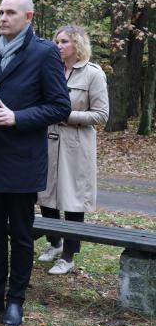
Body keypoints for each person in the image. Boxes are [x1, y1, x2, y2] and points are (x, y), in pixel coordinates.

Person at [0, 0, 71, 326]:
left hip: (23, 161)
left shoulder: (44, 53)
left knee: (21, 236)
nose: (3, 18)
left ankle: (16, 301)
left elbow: (59, 107)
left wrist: (17, 117)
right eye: (1, 12)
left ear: (29, 17)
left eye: (11, 13)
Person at [36, 25, 109, 274]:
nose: (58, 46)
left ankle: (68, 256)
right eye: (57, 41)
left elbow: (101, 115)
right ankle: (55, 243)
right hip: (48, 140)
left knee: (73, 200)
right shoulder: (51, 70)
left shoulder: (92, 74)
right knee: (45, 195)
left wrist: (67, 115)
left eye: (64, 41)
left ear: (77, 45)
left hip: (75, 145)